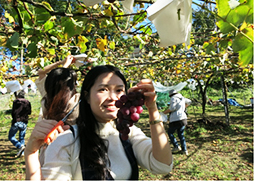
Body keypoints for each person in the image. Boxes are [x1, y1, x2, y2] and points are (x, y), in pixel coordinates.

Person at [25, 65, 173, 180]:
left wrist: (153, 109)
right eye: (103, 89)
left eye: (119, 90)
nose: (112, 97)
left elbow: (162, 166)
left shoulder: (129, 134)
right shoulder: (66, 140)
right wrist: (30, 153)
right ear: (87, 97)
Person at [162, 89, 191, 156]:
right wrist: (183, 108)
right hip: (183, 118)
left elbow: (172, 108)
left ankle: (176, 146)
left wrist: (163, 113)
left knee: (170, 132)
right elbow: (189, 101)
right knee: (181, 135)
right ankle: (184, 150)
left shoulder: (173, 98)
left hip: (176, 119)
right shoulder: (181, 97)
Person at [8, 90, 31, 157]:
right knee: (22, 137)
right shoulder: (27, 102)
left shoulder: (16, 102)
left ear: (18, 95)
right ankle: (22, 152)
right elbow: (29, 112)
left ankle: (19, 146)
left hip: (17, 121)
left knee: (11, 136)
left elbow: (13, 112)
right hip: (24, 121)